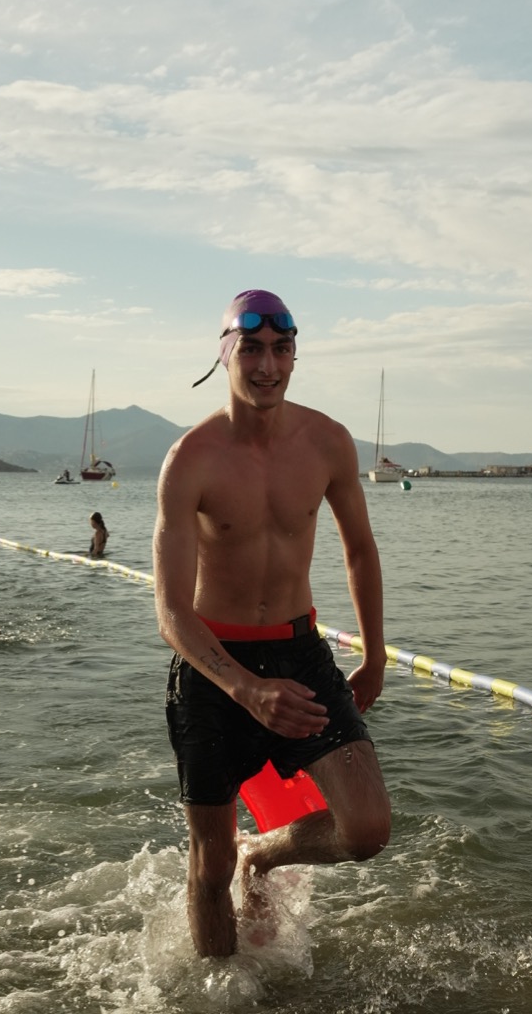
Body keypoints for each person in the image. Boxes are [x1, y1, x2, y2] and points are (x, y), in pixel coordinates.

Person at [153, 288, 391, 957]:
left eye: (281, 349)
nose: (267, 366)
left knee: (366, 829)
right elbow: (171, 611)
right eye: (252, 349)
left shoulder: (327, 442)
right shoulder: (190, 458)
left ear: (293, 355)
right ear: (225, 355)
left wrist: (374, 655)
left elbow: (359, 550)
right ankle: (224, 990)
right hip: (213, 667)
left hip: (299, 653)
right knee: (210, 865)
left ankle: (263, 854)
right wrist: (245, 688)